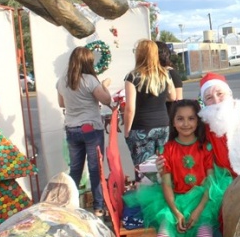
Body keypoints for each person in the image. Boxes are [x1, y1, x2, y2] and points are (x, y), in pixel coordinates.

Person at [126, 99, 232, 237]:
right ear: (173, 122)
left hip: (203, 203)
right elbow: (166, 184)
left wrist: (198, 212)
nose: (186, 124)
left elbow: (211, 184)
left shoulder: (205, 148)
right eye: (180, 119)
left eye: (191, 118)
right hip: (175, 202)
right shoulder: (167, 150)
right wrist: (176, 212)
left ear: (198, 120)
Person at [56, 46, 112, 217]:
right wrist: (104, 85)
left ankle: (71, 206)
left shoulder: (62, 80)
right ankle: (98, 207)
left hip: (72, 128)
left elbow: (62, 104)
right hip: (91, 128)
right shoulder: (90, 80)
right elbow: (107, 100)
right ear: (88, 62)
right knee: (96, 169)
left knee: (75, 170)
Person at [124, 39, 176, 175]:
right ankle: (164, 193)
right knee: (164, 167)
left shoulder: (132, 76)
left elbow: (130, 109)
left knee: (145, 171)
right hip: (163, 126)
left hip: (141, 128)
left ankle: (146, 195)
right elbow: (173, 97)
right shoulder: (165, 74)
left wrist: (127, 131)